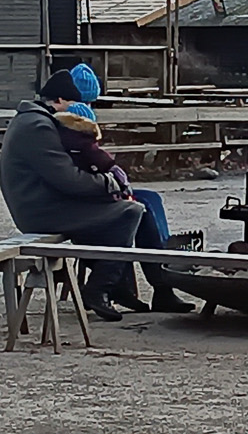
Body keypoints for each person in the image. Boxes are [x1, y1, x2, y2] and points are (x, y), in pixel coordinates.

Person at [0, 69, 144, 321]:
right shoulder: (38, 127)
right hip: (41, 212)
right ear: (58, 101)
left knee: (135, 206)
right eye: (75, 104)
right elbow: (69, 180)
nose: (79, 111)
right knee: (130, 211)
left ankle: (125, 286)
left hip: (47, 203)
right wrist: (109, 183)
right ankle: (99, 288)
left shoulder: (36, 120)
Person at [51, 102, 192, 313]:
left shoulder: (75, 145)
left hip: (92, 198)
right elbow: (81, 179)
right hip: (83, 206)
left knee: (148, 201)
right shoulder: (74, 147)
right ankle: (157, 286)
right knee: (139, 211)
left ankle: (151, 283)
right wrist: (113, 185)